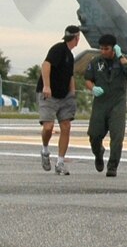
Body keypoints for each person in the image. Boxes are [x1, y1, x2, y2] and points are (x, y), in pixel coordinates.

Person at [84, 34, 127, 177]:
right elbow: (88, 79)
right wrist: (92, 88)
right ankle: (98, 153)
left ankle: (112, 166)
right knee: (94, 135)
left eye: (106, 49)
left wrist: (120, 56)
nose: (103, 51)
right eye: (101, 49)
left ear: (113, 48)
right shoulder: (95, 62)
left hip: (117, 103)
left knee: (117, 136)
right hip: (100, 103)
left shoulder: (124, 60)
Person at [36, 25, 80, 175]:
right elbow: (46, 65)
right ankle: (45, 150)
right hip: (50, 94)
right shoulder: (58, 49)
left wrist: (72, 92)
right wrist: (46, 86)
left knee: (66, 126)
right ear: (76, 38)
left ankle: (60, 162)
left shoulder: (70, 56)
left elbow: (70, 75)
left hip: (64, 95)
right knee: (48, 126)